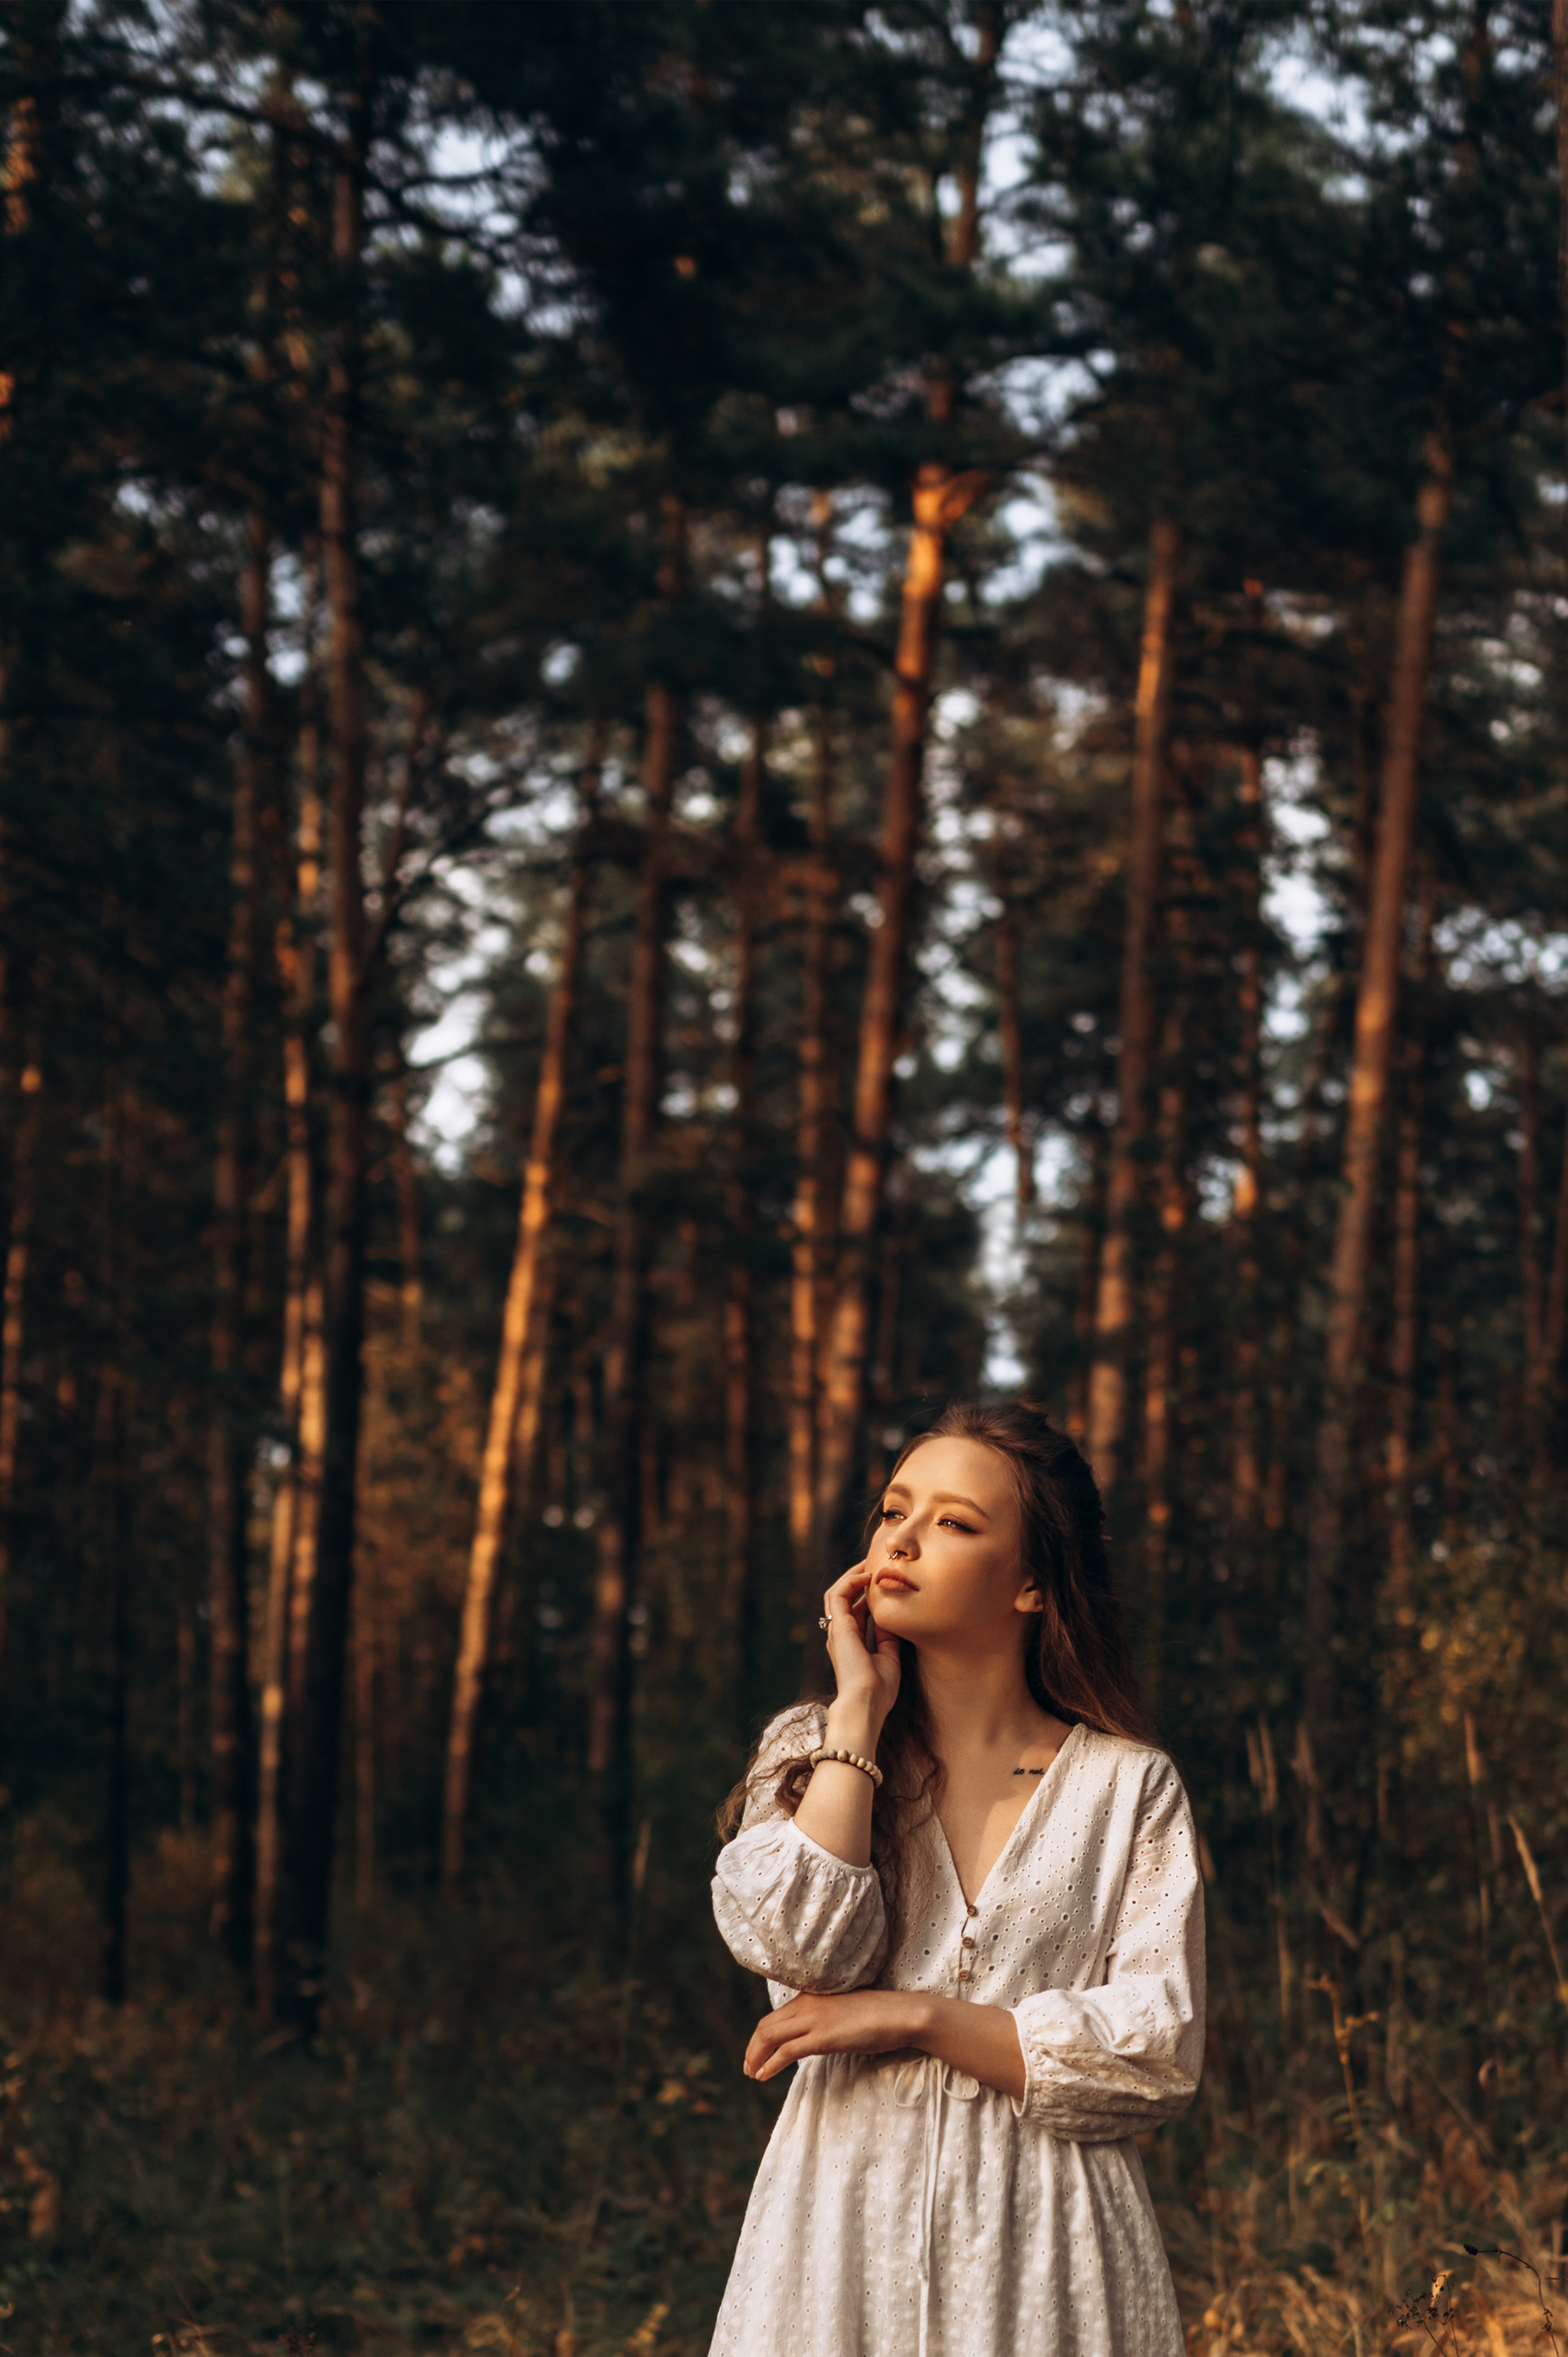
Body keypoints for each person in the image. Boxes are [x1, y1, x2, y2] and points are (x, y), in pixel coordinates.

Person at [707, 1398, 1204, 2357]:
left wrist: (917, 2016)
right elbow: (798, 1953)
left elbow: (1158, 2052)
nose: (902, 1540)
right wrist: (857, 1715)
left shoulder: (1128, 1786)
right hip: (838, 2227)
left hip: (1053, 2247)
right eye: (894, 1512)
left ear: (1031, 1585)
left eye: (954, 1523)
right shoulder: (810, 1752)